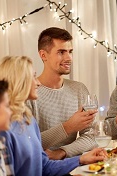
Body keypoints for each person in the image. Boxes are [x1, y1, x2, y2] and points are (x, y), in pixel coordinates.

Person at [0, 56, 107, 175]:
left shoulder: (29, 120)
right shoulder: (2, 129)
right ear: (19, 81)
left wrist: (81, 159)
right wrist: (68, 127)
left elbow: (45, 166)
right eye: (33, 77)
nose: (38, 83)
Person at [27, 27, 97, 160]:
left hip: (71, 165)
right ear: (43, 55)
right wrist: (68, 127)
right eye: (61, 52)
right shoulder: (30, 93)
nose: (68, 58)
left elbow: (91, 136)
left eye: (70, 52)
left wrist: (62, 152)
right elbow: (28, 142)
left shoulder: (79, 89)